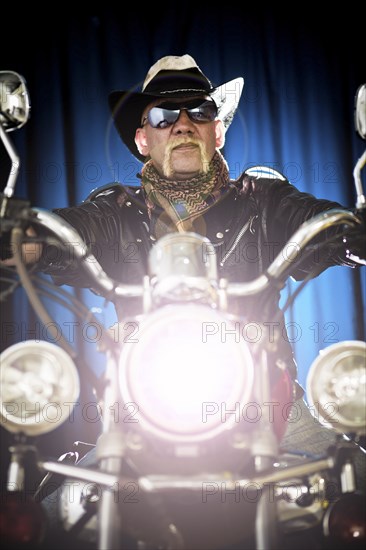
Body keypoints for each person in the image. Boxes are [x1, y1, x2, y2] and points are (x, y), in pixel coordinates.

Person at [1, 54, 365, 549]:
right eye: (162, 115)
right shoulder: (114, 214)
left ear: (218, 132)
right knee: (46, 515)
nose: (183, 124)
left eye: (199, 110)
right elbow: (64, 235)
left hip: (271, 408)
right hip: (137, 413)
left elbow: (318, 223)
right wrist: (20, 241)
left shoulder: (264, 203)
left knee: (353, 490)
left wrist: (350, 232)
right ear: (142, 139)